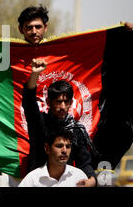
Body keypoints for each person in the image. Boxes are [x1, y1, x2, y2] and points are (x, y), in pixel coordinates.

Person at [23, 58, 97, 187]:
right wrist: (35, 74)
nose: (62, 106)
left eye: (66, 102)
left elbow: (85, 163)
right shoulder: (40, 122)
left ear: (70, 104)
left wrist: (92, 181)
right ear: (48, 102)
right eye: (58, 101)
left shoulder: (76, 129)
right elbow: (29, 103)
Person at [19, 128, 88, 187]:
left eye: (68, 146)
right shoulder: (33, 179)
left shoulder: (78, 176)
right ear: (47, 149)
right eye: (59, 146)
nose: (64, 151)